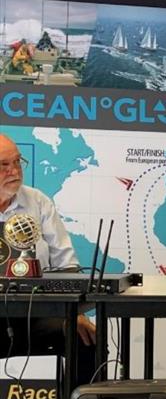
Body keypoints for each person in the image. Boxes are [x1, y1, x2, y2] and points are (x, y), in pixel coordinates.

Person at [0, 134, 97, 385]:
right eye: (4, 165)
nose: (14, 171)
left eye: (18, 162)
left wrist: (73, 313)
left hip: (37, 314)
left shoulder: (38, 201)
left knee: (85, 337)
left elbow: (67, 265)